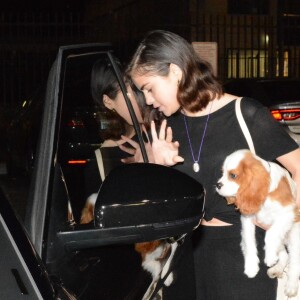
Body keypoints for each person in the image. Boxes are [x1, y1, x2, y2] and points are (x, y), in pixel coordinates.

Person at [126, 30, 300, 300]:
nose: (148, 100)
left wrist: (286, 220)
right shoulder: (165, 129)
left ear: (174, 71)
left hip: (243, 259)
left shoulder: (246, 115)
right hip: (184, 260)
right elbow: (156, 213)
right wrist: (158, 170)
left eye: (149, 88)